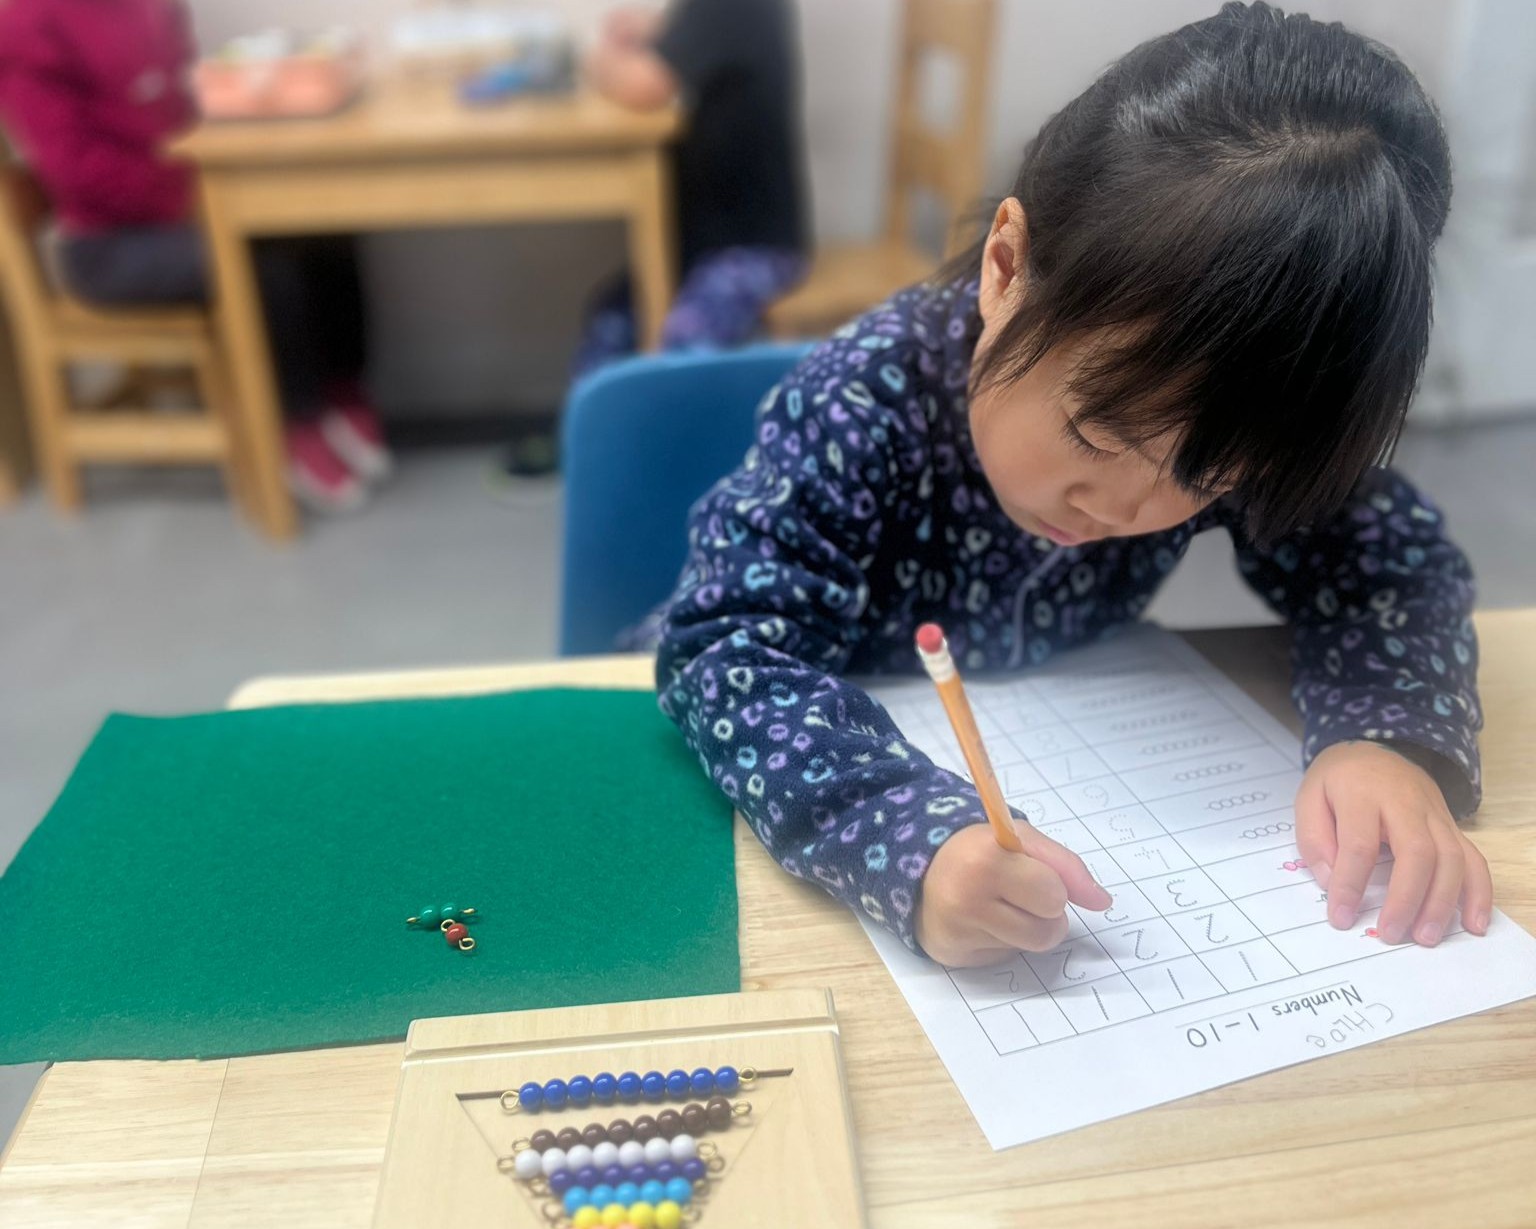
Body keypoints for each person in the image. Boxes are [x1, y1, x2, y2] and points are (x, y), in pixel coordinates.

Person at [652, 2, 1490, 967]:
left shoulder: (1229, 403)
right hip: (734, 828)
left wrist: (1385, 737)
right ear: (1007, 268)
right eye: (1097, 432)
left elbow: (1393, 572)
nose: (1129, 508)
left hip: (1080, 731)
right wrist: (901, 834)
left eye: (1210, 474)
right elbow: (726, 646)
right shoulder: (864, 401)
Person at [0, 0, 392, 513]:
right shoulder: (24, 21)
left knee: (318, 222)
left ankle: (340, 388)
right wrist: (194, 203)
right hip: (107, 246)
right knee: (260, 264)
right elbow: (75, 170)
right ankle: (296, 420)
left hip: (185, 206)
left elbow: (186, 102)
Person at [576, 0, 808, 375]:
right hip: (705, 237)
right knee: (612, 319)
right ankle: (600, 433)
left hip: (752, 244)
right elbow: (684, 44)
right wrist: (650, 31)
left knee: (682, 356)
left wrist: (599, 59)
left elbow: (644, 86)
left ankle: (671, 431)